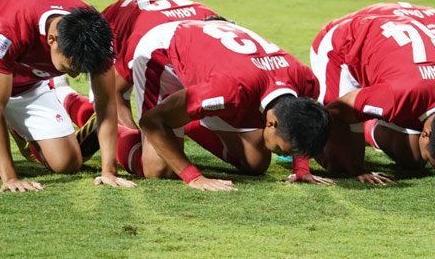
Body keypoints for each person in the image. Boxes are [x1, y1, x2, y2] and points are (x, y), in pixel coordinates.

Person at [0, 0, 136, 192]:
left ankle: (19, 129)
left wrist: (108, 171)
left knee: (68, 162)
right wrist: (10, 178)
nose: (74, 74)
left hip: (29, 81)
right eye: (71, 67)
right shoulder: (11, 27)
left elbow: (106, 103)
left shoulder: (95, 36)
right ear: (52, 39)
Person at [135, 20, 331, 189]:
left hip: (217, 63)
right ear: (271, 123)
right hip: (165, 52)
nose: (283, 154)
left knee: (255, 162)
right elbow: (152, 121)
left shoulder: (305, 81)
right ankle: (113, 130)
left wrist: (301, 169)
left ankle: (185, 116)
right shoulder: (229, 92)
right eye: (284, 150)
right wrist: (193, 177)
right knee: (159, 168)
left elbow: (301, 126)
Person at [310, 13, 435, 184]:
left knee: (413, 159)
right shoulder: (395, 97)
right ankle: (290, 125)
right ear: (426, 134)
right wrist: (355, 168)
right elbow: (337, 110)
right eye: (434, 163)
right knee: (338, 164)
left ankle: (371, 126)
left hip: (396, 50)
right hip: (343, 45)